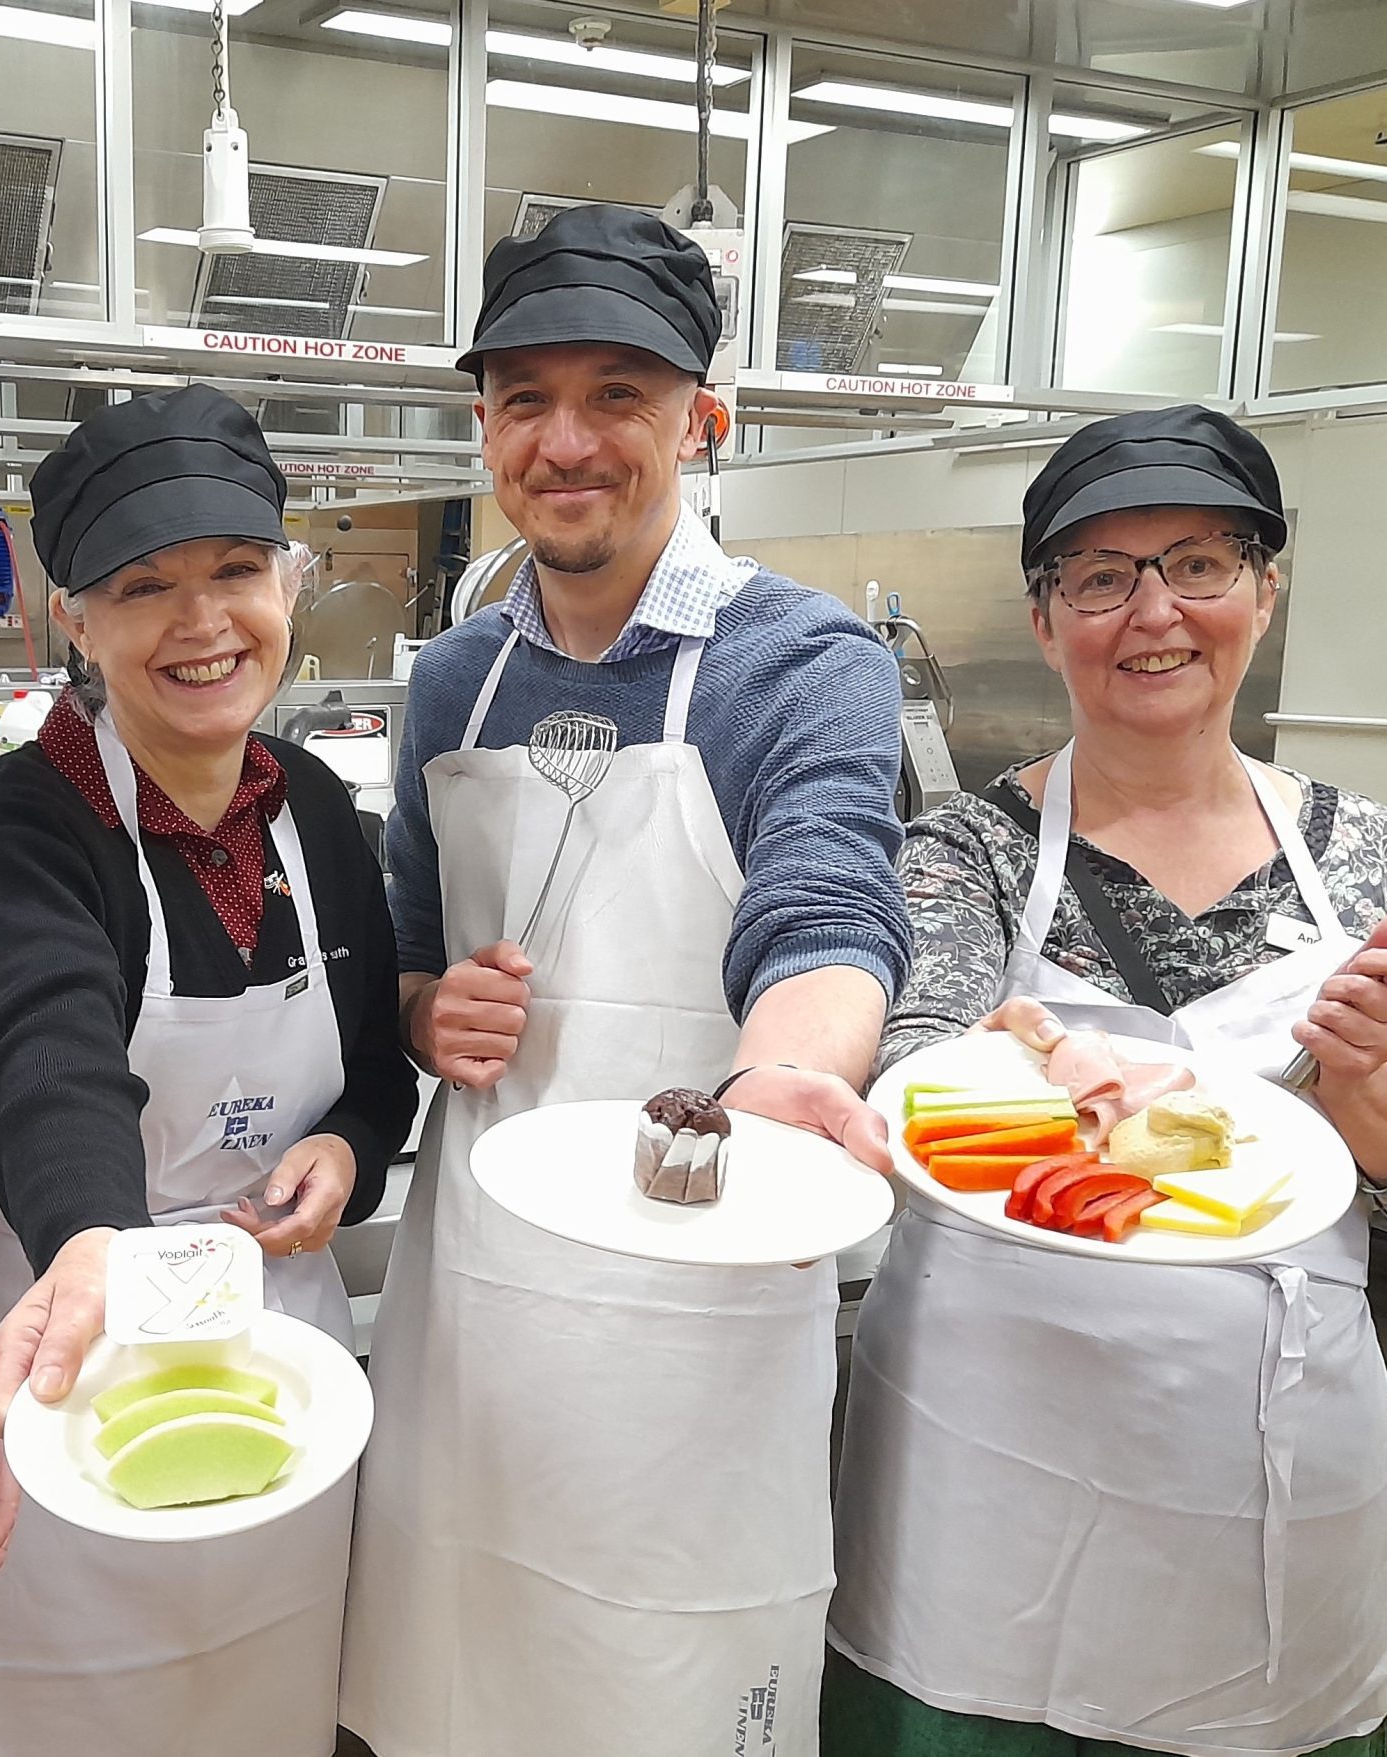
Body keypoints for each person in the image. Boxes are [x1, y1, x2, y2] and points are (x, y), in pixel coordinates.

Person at [825, 405, 1387, 1757]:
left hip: (1269, 1491)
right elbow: (918, 1066)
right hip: (992, 1485)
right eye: (1100, 576)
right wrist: (1059, 1062)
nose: (1153, 610)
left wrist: (1371, 1082)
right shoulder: (965, 847)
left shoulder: (1377, 860)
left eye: (1200, 562)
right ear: (1046, 620)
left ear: (1264, 590)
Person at [340, 203, 914, 1757]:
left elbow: (827, 895)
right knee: (458, 1679)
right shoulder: (458, 674)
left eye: (617, 396)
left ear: (699, 422)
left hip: (694, 1315)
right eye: (526, 398)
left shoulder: (801, 663)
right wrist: (421, 1006)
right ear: (486, 429)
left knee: (659, 1688)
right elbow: (402, 936)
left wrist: (801, 1059)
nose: (566, 439)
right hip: (477, 1316)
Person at [0, 384, 417, 1757]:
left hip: (273, 1358)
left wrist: (348, 1150)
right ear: (75, 617)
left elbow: (369, 1072)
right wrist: (96, 1242)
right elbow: (45, 1053)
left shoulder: (317, 813)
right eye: (142, 585)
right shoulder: (28, 829)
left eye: (236, 569)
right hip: (77, 1338)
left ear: (286, 577)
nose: (203, 622)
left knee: (249, 1702)